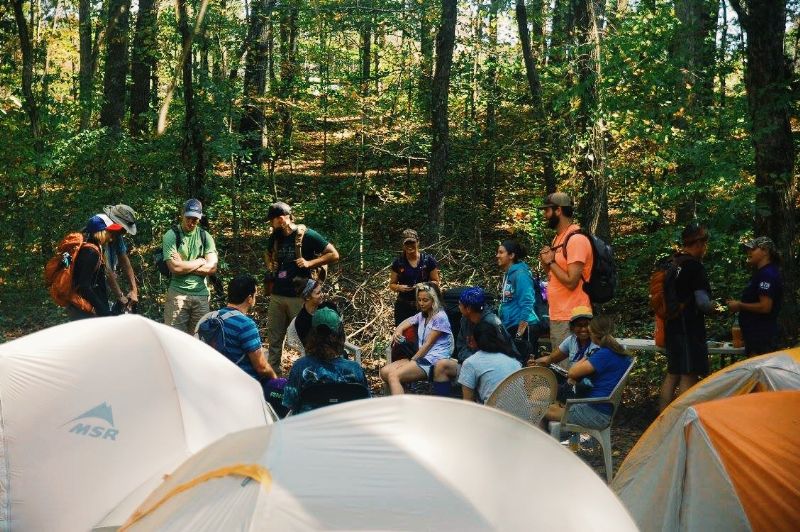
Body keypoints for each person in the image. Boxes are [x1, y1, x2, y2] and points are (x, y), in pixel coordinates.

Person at [264, 201, 340, 376]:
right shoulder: (275, 237)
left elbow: (334, 254)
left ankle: (309, 375)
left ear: (281, 218)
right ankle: (274, 378)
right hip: (277, 295)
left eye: (272, 220)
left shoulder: (307, 235)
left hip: (300, 297)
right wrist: (270, 264)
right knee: (274, 340)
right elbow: (267, 254)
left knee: (306, 338)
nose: (271, 224)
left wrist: (309, 263)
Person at [195, 275, 281, 410]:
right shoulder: (246, 324)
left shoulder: (211, 317)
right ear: (249, 298)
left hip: (215, 380)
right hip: (242, 387)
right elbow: (261, 367)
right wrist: (275, 380)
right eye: (255, 294)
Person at [658, 223, 714, 412]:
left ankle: (661, 421)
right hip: (688, 330)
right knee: (689, 375)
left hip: (671, 327)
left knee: (672, 374)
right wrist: (717, 307)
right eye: (704, 244)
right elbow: (703, 303)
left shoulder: (672, 263)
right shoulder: (694, 267)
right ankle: (682, 422)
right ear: (698, 244)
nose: (705, 248)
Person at [544, 315, 633, 430]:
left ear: (594, 335)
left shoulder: (604, 354)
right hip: (599, 409)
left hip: (594, 412)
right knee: (546, 404)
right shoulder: (620, 353)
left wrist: (586, 357)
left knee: (535, 409)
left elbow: (572, 372)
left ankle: (541, 439)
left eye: (590, 333)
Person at [430, 287, 518, 396]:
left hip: (492, 368)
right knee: (441, 366)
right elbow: (461, 347)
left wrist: (479, 362)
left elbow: (508, 352)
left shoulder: (493, 322)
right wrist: (472, 360)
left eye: (460, 304)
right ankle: (444, 403)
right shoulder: (464, 319)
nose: (458, 307)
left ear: (468, 308)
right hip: (470, 363)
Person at [282, 307, 369, 414]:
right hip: (346, 423)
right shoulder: (354, 369)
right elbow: (365, 404)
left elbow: (290, 403)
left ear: (312, 335)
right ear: (340, 335)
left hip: (309, 423)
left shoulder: (300, 366)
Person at [537, 192, 594, 351]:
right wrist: (546, 262)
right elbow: (553, 275)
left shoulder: (576, 239)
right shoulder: (558, 238)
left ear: (558, 210)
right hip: (558, 314)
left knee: (571, 364)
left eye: (547, 210)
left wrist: (551, 261)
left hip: (573, 316)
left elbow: (571, 282)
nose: (545, 215)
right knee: (561, 364)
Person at [380, 282, 453, 395]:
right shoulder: (423, 315)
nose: (421, 303)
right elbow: (406, 321)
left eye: (425, 300)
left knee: (394, 375)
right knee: (385, 372)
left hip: (433, 360)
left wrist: (413, 360)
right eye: (419, 300)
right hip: (420, 356)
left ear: (434, 300)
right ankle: (407, 397)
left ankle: (400, 405)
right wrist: (398, 331)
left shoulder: (440, 317)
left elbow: (428, 345)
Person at [162, 199, 218, 334]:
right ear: (182, 214)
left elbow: (212, 268)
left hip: (201, 296)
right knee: (175, 338)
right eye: (188, 218)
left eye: (195, 219)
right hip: (177, 296)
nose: (191, 222)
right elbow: (175, 268)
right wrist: (200, 261)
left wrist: (183, 264)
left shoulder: (205, 237)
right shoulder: (171, 235)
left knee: (200, 339)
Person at [726, 237, 783, 356]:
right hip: (755, 339)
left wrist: (739, 305)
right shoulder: (761, 273)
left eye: (753, 249)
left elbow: (765, 307)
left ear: (765, 251)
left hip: (762, 340)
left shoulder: (767, 274)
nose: (749, 252)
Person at [68, 215, 122, 320]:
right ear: (100, 232)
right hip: (85, 311)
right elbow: (84, 286)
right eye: (109, 231)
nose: (112, 235)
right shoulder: (91, 252)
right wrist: (104, 312)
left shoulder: (93, 249)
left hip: (88, 309)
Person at [497, 239, 542, 363]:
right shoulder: (508, 274)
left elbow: (527, 302)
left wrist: (519, 334)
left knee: (526, 366)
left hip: (525, 327)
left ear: (511, 255)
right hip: (511, 325)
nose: (497, 255)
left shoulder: (521, 274)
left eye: (501, 252)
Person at [458, 320, 522, 403]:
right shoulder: (513, 359)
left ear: (472, 340)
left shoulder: (471, 362)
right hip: (522, 410)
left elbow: (468, 402)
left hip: (493, 410)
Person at [389, 229, 440, 325]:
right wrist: (399, 287)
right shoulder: (398, 262)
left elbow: (436, 282)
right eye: (406, 243)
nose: (409, 246)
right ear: (403, 245)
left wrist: (423, 285)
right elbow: (392, 284)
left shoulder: (428, 260)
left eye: (412, 242)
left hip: (424, 306)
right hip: (404, 306)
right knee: (402, 333)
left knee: (423, 332)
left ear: (418, 242)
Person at [101, 204, 139, 312]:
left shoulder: (116, 235)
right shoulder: (99, 234)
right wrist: (120, 295)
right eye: (124, 228)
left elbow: (124, 261)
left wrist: (134, 290)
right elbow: (106, 269)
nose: (125, 232)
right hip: (86, 293)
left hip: (103, 290)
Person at [290, 276, 338, 346]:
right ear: (307, 297)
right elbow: (308, 345)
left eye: (321, 291)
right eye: (318, 293)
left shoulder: (329, 307)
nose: (322, 295)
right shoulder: (301, 321)